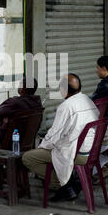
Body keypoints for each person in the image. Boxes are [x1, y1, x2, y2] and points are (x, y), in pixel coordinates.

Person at [22, 74, 99, 202]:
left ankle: (66, 184)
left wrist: (42, 146)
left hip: (75, 152)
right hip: (89, 151)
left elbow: (54, 135)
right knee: (51, 150)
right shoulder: (87, 100)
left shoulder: (66, 106)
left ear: (64, 89)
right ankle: (70, 180)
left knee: (28, 158)